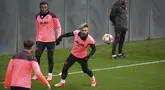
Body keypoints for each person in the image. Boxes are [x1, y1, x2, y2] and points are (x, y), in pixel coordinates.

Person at [32, 1, 62, 80]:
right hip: (40, 40)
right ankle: (37, 73)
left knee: (50, 57)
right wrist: (37, 39)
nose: (44, 9)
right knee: (37, 56)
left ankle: (50, 74)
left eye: (45, 7)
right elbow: (37, 29)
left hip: (50, 40)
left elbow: (58, 26)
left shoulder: (52, 16)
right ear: (40, 7)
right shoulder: (37, 16)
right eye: (43, 7)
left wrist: (58, 37)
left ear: (47, 7)